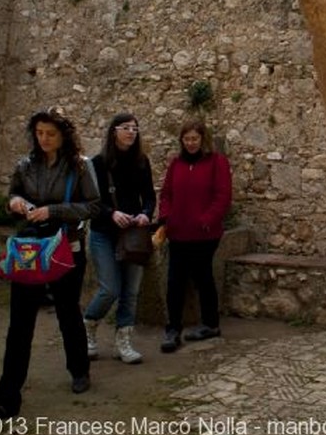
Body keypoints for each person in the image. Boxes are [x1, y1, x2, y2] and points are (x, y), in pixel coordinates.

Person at [0, 106, 100, 424]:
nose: (44, 139)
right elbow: (13, 194)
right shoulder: (24, 165)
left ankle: (79, 369)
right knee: (19, 325)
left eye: (50, 133)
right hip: (30, 251)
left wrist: (53, 211)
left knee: (68, 312)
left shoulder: (80, 167)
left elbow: (93, 206)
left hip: (65, 249)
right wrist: (15, 202)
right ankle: (5, 401)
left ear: (63, 135)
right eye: (39, 133)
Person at [84, 113, 156, 364]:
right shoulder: (97, 164)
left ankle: (123, 340)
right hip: (104, 233)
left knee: (131, 291)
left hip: (133, 235)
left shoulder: (141, 162)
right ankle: (89, 326)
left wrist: (146, 214)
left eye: (135, 128)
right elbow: (91, 202)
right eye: (126, 127)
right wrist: (112, 213)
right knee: (110, 289)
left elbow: (148, 197)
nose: (131, 132)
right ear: (114, 131)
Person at [157, 117, 232, 352]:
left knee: (203, 278)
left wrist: (206, 220)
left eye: (194, 139)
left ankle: (210, 324)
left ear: (203, 139)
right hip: (178, 233)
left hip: (205, 234)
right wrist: (166, 217)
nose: (190, 143)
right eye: (186, 139)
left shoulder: (216, 162)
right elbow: (166, 194)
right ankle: (173, 329)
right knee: (175, 282)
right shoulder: (176, 164)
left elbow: (223, 196)